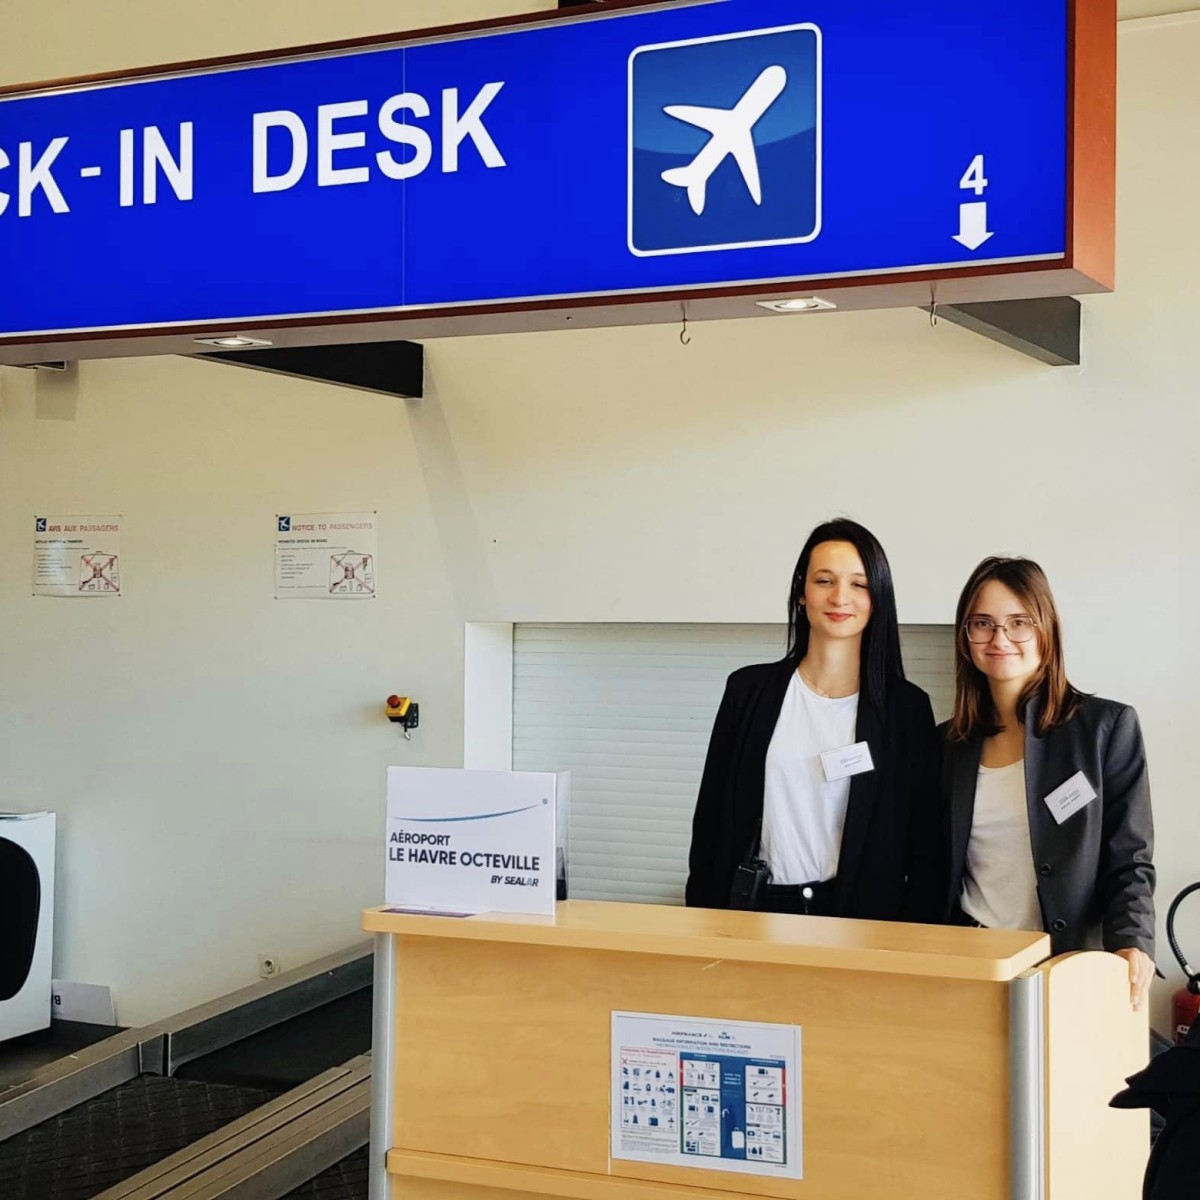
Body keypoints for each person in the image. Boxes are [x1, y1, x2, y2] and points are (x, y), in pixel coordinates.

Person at [685, 518, 942, 921]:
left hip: (863, 921)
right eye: (824, 581)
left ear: (878, 597)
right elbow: (709, 825)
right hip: (756, 913)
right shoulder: (747, 691)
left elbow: (926, 847)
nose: (840, 597)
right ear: (801, 592)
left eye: (858, 584)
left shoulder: (906, 711)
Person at [941, 556, 1156, 1008]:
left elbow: (1129, 857)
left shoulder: (1104, 729)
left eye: (1019, 622)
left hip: (1068, 964)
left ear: (1047, 631)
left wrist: (1132, 941)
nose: (1000, 638)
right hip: (971, 963)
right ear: (965, 637)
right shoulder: (947, 744)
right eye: (982, 623)